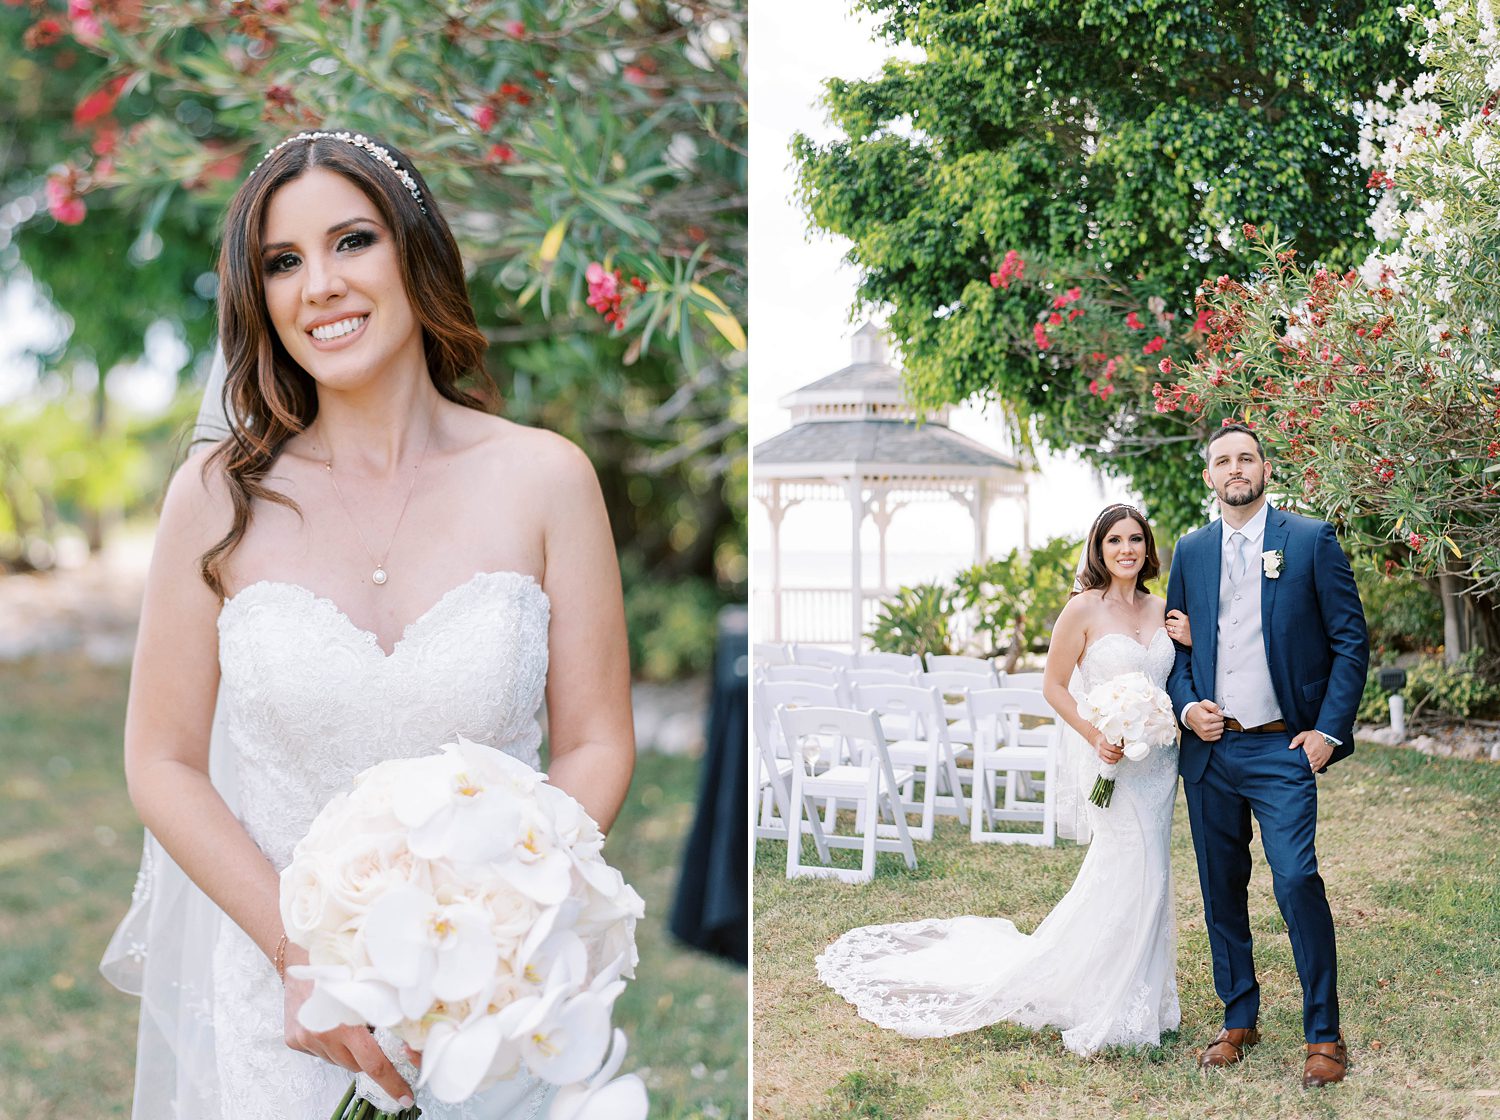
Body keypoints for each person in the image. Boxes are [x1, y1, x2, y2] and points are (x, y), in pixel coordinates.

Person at [99, 131, 636, 1119]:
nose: (321, 286)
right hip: (283, 1012)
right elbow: (162, 759)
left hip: (499, 1001)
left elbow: (597, 738)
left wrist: (504, 923)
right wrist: (298, 954)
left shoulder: (548, 478)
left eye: (353, 242)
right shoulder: (217, 498)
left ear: (415, 253)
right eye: (284, 261)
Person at [816, 503, 1182, 1056]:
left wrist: (1188, 643)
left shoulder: (1163, 610)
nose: (1126, 549)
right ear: (1099, 550)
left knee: (1155, 871)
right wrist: (1095, 735)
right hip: (1110, 760)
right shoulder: (1080, 611)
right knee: (1135, 870)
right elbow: (1054, 686)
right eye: (1114, 541)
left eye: (1135, 539)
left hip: (1157, 764)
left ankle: (1144, 994)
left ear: (1148, 548)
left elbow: (1174, 675)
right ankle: (1109, 999)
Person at [1165, 422, 1368, 1088]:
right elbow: (1178, 655)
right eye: (1222, 460)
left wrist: (1327, 732)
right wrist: (1189, 706)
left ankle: (1323, 1034)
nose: (1235, 468)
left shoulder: (1310, 541)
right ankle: (1239, 1017)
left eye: (1245, 457)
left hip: (1284, 747)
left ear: (1264, 467)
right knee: (1221, 893)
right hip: (1212, 754)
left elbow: (1349, 643)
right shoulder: (1190, 551)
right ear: (1209, 476)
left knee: (1295, 880)